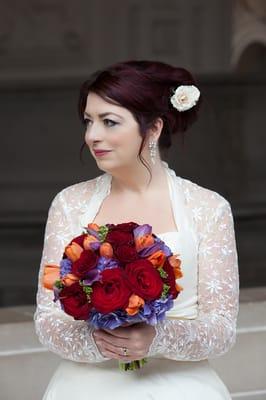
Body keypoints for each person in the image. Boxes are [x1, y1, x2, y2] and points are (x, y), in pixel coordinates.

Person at [34, 60, 239, 399]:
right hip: (85, 387)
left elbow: (221, 329)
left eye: (109, 122)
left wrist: (154, 338)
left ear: (154, 128)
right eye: (88, 121)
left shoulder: (208, 208)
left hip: (181, 388)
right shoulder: (70, 203)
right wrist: (103, 341)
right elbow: (47, 320)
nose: (92, 136)